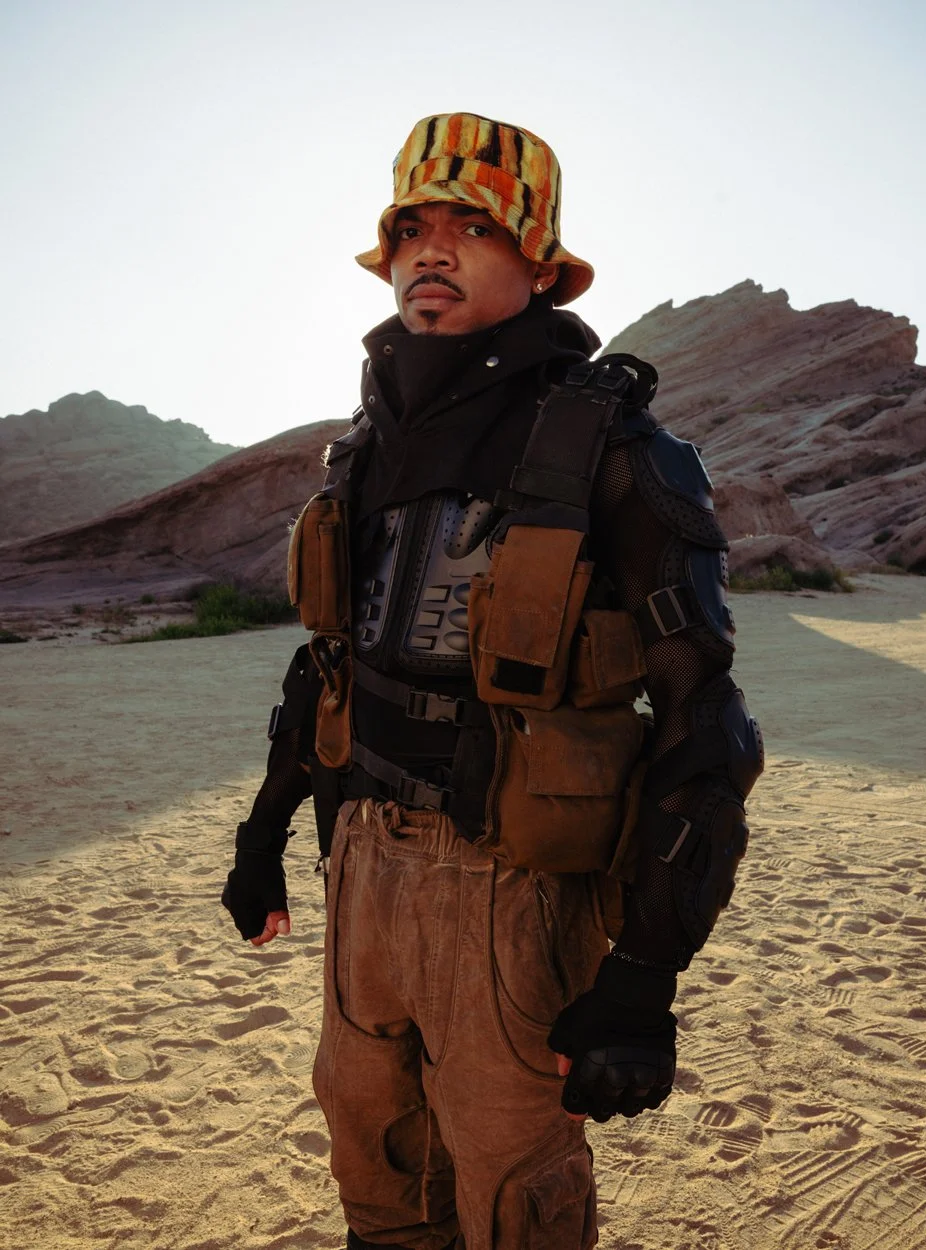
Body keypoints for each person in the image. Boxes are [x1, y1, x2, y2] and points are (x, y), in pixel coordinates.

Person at [221, 113, 763, 1250]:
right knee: (374, 1161)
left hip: (511, 886)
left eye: (472, 224)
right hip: (360, 867)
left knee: (515, 1187)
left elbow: (705, 720)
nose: (432, 246)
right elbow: (326, 663)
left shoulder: (614, 447)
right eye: (411, 224)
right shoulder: (364, 444)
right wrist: (263, 833)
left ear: (538, 260)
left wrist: (644, 972)